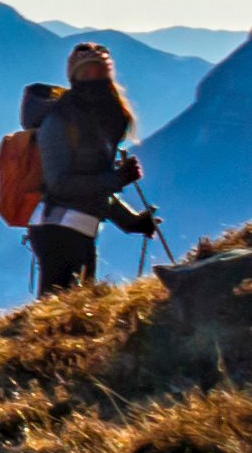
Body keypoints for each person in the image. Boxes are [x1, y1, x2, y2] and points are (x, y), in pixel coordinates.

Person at [25, 41, 161, 292]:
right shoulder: (59, 120)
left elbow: (95, 189)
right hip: (57, 231)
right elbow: (60, 184)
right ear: (74, 77)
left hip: (71, 229)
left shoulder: (102, 120)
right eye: (87, 73)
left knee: (69, 312)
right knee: (64, 315)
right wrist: (117, 179)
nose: (94, 79)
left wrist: (133, 222)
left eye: (99, 72)